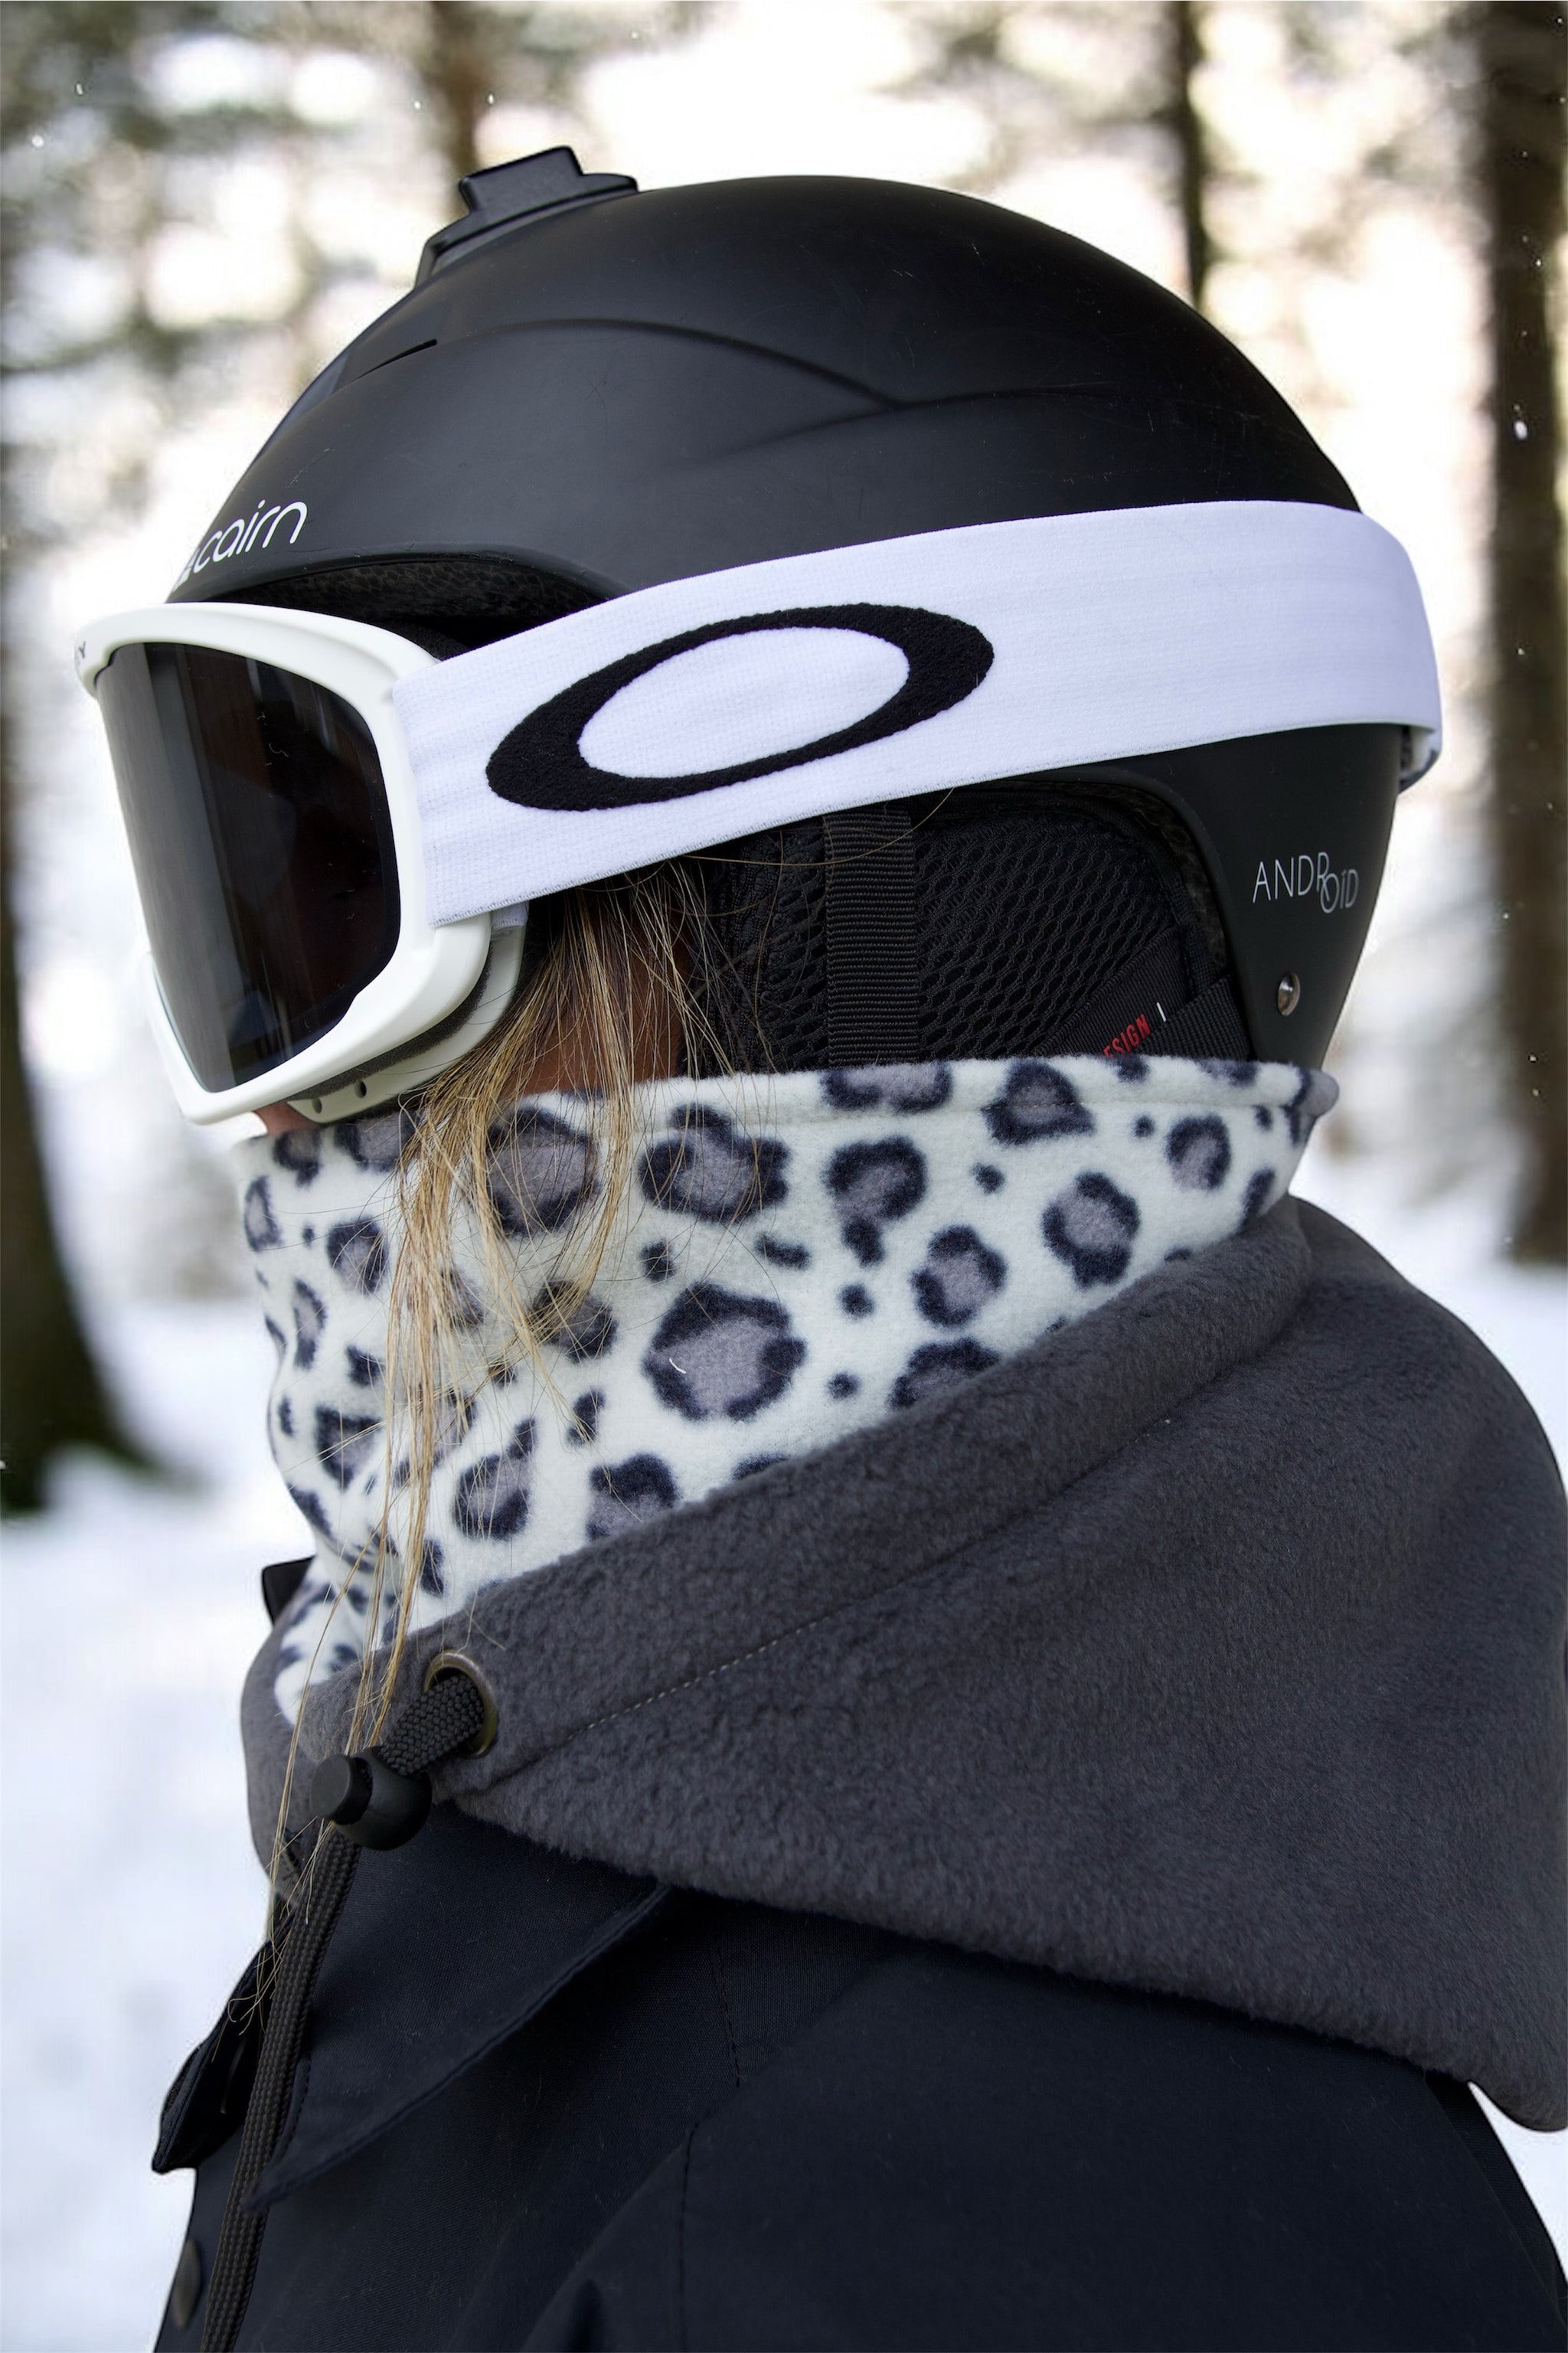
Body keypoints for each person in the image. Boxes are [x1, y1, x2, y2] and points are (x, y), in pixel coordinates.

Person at [79, 153, 1564, 2351]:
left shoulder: (992, 2205)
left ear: (867, 943)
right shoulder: (559, 1773)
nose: (291, 1112)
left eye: (349, 921)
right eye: (250, 901)